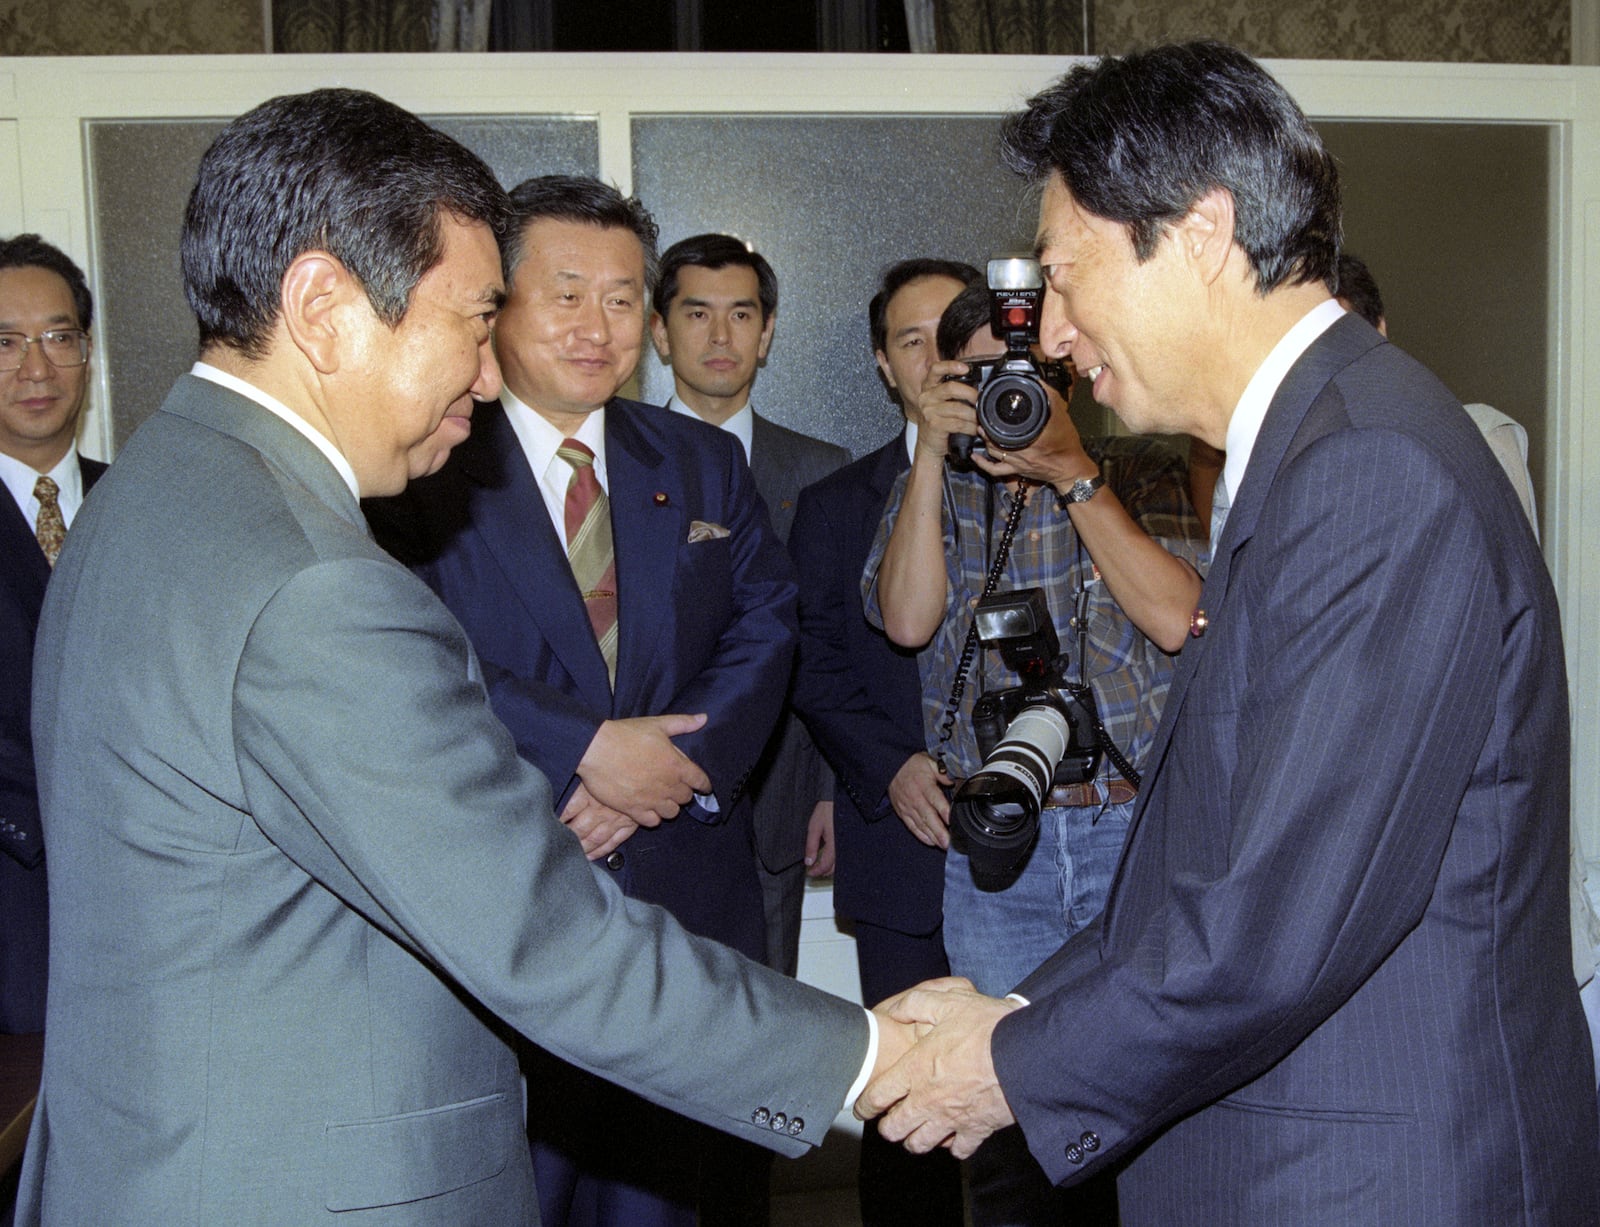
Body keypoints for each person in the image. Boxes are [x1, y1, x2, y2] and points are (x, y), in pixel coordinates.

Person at [17, 90, 902, 1227]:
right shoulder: (308, 578)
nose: (487, 379)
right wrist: (874, 1059)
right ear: (326, 307)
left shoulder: (156, 489)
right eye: (474, 322)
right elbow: (539, 936)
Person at [858, 41, 1600, 1223]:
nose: (1047, 334)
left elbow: (1271, 915)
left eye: (1063, 274)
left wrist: (999, 1066)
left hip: (1369, 1177)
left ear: (1197, 234)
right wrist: (1019, 1013)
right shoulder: (1320, 442)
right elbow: (1216, 850)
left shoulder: (1368, 466)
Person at [368, 177, 803, 1227]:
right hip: (511, 887)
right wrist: (583, 751)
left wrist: (667, 777)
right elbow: (409, 647)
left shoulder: (697, 459)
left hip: (685, 896)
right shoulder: (420, 462)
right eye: (564, 294)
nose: (596, 327)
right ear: (495, 304)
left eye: (620, 298)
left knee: (677, 1194)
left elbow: (765, 623)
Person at [862, 276, 1200, 1224]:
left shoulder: (1143, 468)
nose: (1009, 400)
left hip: (1130, 826)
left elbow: (1178, 619)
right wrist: (932, 452)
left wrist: (1069, 471)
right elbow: (906, 617)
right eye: (980, 380)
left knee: (1145, 1097)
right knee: (1004, 1124)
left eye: (1032, 376)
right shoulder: (935, 485)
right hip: (1000, 838)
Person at [788, 257, 979, 1227]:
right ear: (882, 363)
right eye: (911, 338)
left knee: (1049, 1101)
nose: (937, 353)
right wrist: (887, 766)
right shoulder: (833, 506)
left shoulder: (1058, 478)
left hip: (1047, 858)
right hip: (898, 845)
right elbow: (813, 664)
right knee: (909, 1103)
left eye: (954, 327)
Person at [650, 231, 848, 979]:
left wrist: (831, 791)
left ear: (767, 334)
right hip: (638, 795)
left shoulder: (821, 471)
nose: (720, 335)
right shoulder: (613, 456)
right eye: (697, 314)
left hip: (777, 802)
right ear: (661, 333)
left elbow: (833, 641)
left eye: (741, 314)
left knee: (765, 1019)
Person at [0, 235, 102, 1041]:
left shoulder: (146, 500)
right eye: (4, 342)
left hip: (151, 900)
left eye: (58, 337)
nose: (37, 369)